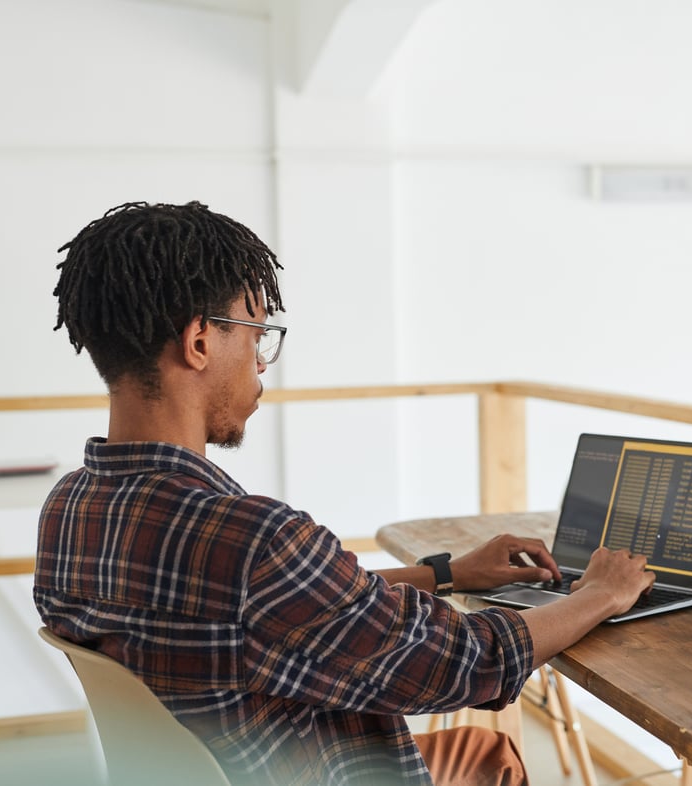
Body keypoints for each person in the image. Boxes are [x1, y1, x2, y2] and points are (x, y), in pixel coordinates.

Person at [34, 201, 656, 786]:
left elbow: (290, 611)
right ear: (200, 342)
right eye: (256, 337)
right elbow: (468, 660)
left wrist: (446, 572)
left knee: (481, 754)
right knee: (491, 755)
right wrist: (601, 593)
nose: (261, 363)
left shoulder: (68, 510)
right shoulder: (254, 540)